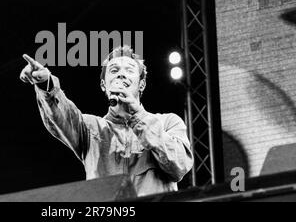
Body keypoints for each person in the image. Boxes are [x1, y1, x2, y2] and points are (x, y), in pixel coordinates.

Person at [20, 45, 193, 197]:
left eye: (130, 70)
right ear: (104, 84)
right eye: (114, 70)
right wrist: (46, 85)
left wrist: (137, 115)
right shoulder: (89, 128)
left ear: (141, 85)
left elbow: (180, 166)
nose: (122, 75)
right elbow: (60, 115)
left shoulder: (168, 122)